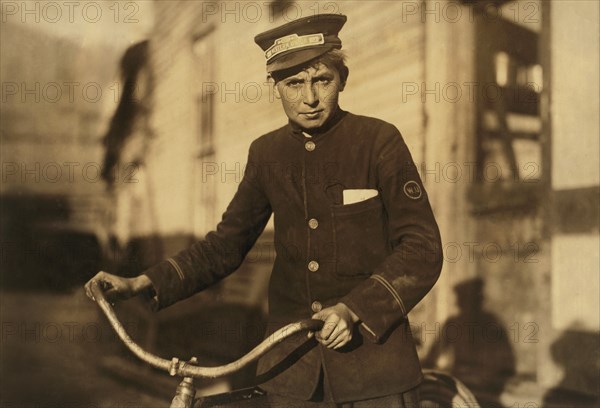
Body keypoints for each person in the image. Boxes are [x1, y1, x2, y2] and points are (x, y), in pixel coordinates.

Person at [85, 13, 443, 408]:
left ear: (342, 79)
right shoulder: (267, 153)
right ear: (275, 87)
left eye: (322, 80)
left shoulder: (378, 141)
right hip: (292, 374)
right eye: (294, 83)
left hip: (376, 377)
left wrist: (356, 309)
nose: (309, 98)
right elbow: (225, 245)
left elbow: (421, 247)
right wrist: (142, 282)